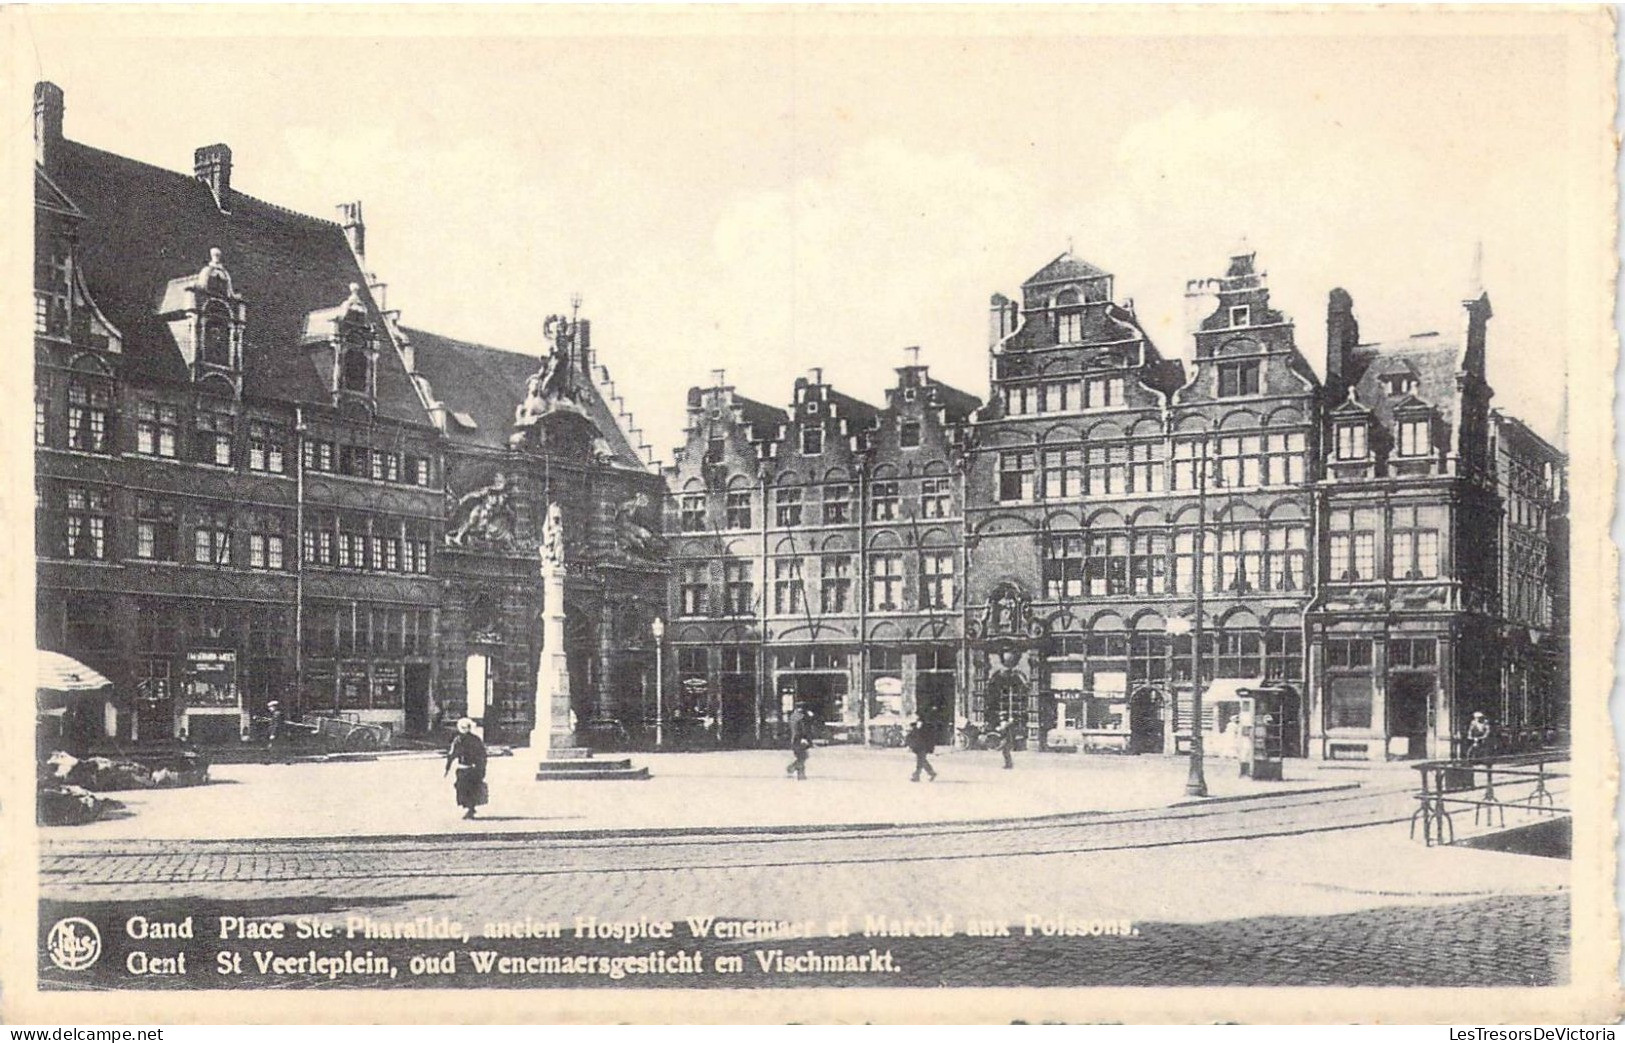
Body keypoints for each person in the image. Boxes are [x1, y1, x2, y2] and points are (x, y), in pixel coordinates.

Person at [444, 718, 489, 819]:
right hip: (470, 769)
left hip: (468, 769)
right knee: (468, 788)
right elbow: (483, 755)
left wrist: (447, 768)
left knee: (466, 788)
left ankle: (470, 808)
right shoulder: (471, 740)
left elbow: (451, 755)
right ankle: (470, 808)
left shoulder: (460, 740)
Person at [785, 705, 811, 781]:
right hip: (799, 738)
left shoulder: (793, 716)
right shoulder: (801, 718)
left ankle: (798, 772)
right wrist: (804, 738)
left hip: (794, 739)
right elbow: (802, 729)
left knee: (802, 756)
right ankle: (795, 769)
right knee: (803, 756)